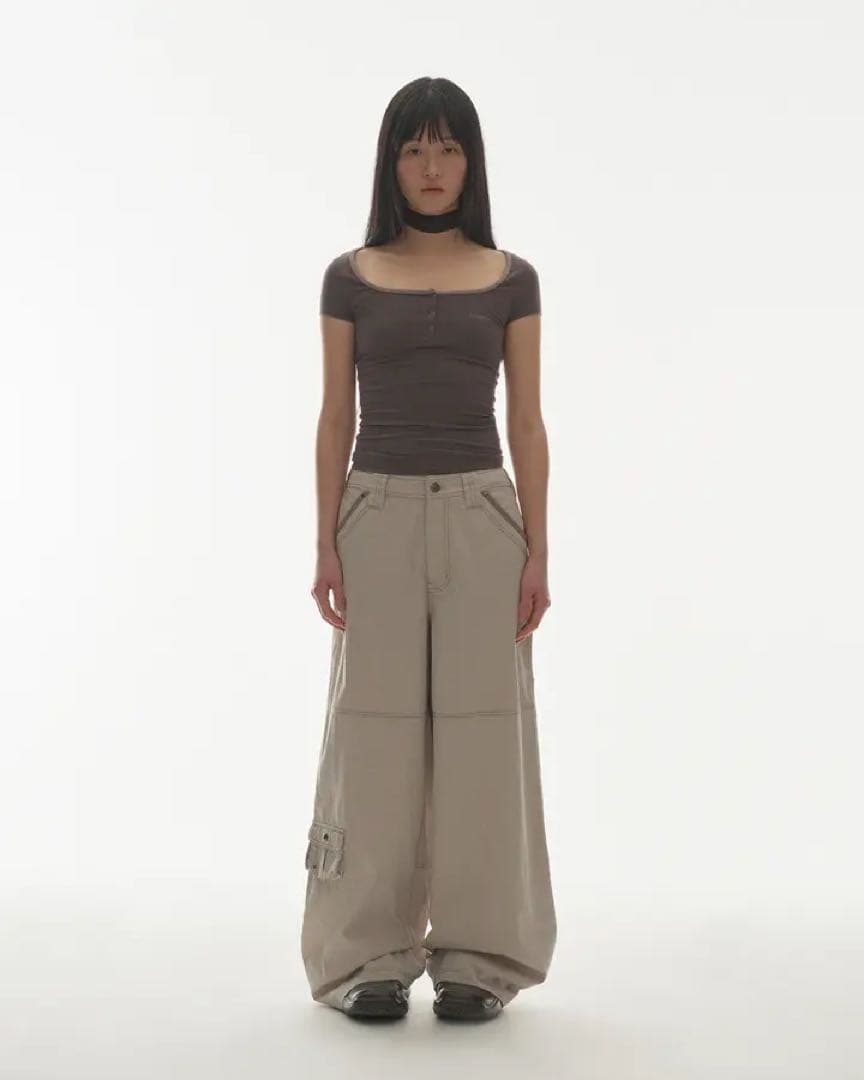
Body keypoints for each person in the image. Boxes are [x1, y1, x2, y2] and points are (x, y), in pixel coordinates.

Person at [302, 76, 556, 1022]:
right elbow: (335, 416)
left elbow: (526, 422)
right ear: (391, 162)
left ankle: (480, 961)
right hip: (375, 513)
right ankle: (364, 958)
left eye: (449, 147)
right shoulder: (350, 276)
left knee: (487, 737)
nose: (432, 166)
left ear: (472, 161)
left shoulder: (513, 279)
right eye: (414, 148)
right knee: (372, 737)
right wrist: (326, 541)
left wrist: (538, 550)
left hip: (484, 516)